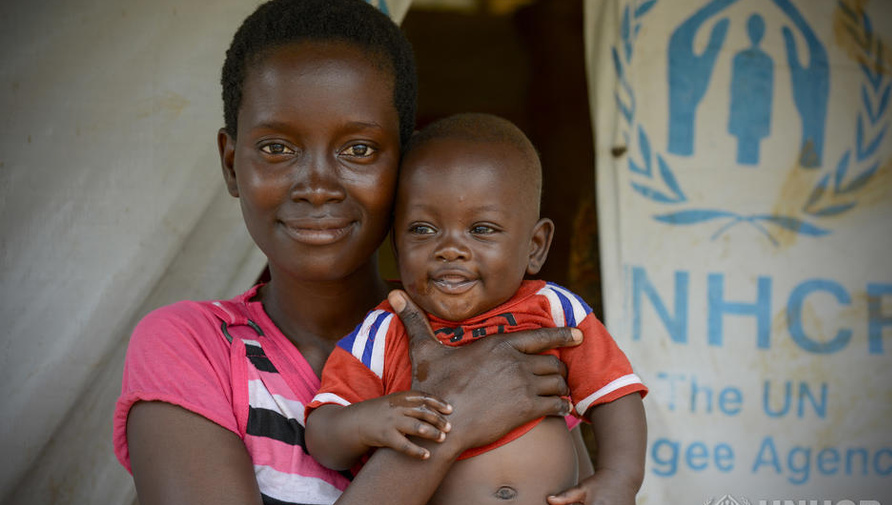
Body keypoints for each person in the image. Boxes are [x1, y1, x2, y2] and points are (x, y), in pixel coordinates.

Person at [113, 1, 581, 504]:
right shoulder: (193, 348)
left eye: (358, 149)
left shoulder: (498, 334)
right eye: (277, 148)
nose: (316, 186)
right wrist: (453, 418)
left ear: (405, 168)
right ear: (232, 164)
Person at [305, 113, 649, 505]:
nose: (450, 248)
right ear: (396, 245)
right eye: (422, 229)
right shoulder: (384, 331)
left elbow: (614, 393)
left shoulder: (553, 309)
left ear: (535, 246)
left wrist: (620, 477)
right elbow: (323, 436)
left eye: (481, 229)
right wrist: (369, 421)